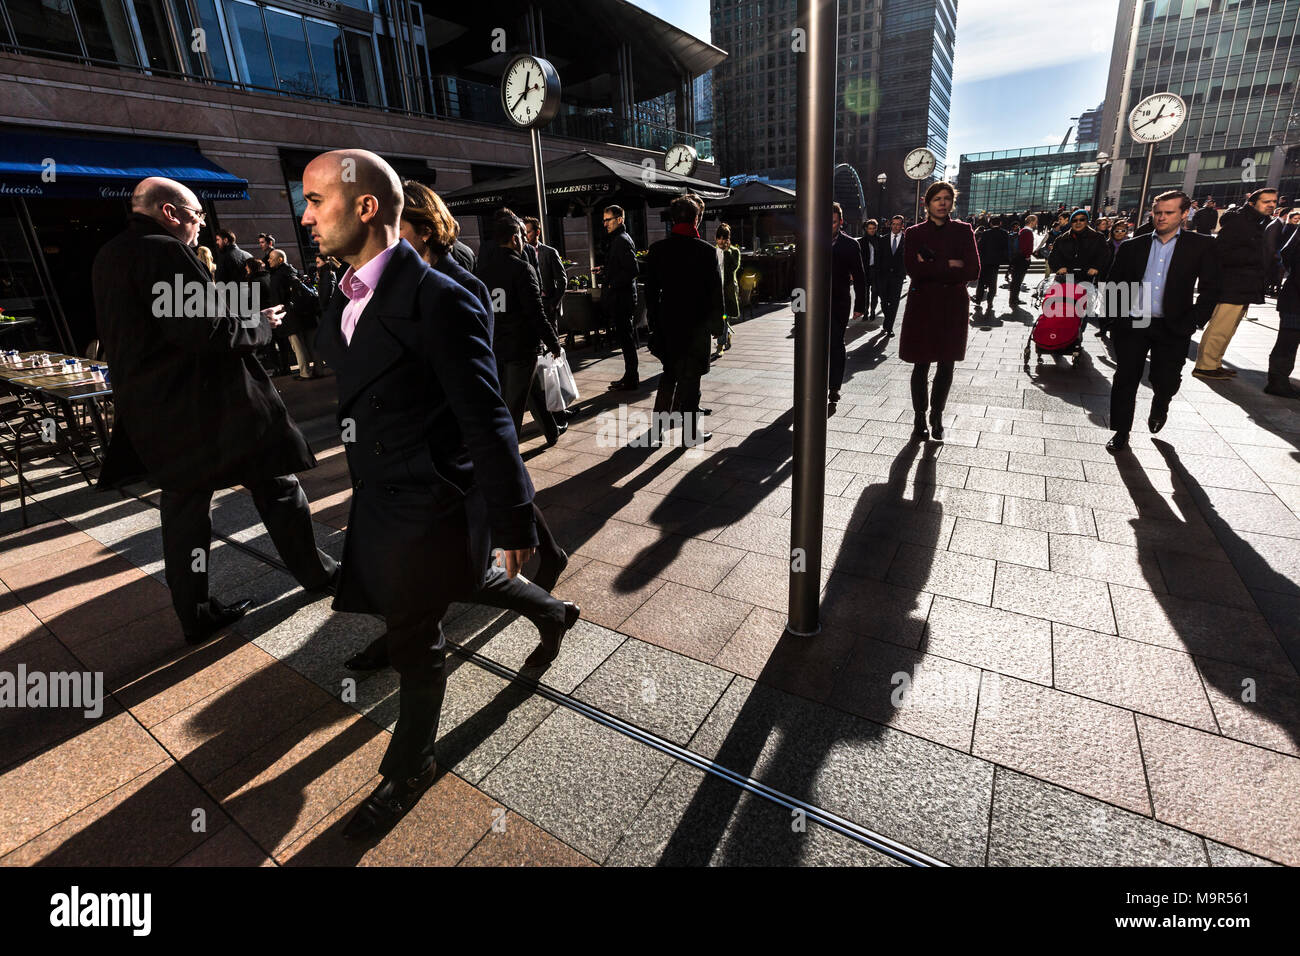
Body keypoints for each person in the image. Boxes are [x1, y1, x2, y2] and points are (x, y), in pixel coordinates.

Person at [305, 149, 566, 840]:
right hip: (384, 491)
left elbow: (487, 417)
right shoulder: (346, 293)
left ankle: (410, 763)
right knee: (464, 586)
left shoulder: (442, 296)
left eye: (314, 200)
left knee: (419, 631)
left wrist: (515, 518)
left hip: (431, 496)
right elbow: (340, 354)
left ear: (365, 208)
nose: (304, 216)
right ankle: (554, 613)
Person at [92, 177, 337, 644]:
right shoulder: (164, 250)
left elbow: (160, 327)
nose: (203, 224)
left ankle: (196, 611)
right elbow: (205, 333)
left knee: (185, 511)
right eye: (196, 215)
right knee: (278, 483)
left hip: (155, 409)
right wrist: (260, 326)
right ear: (169, 213)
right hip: (212, 409)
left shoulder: (110, 255)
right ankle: (320, 574)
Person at [1104, 190, 1219, 452]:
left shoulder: (1201, 245)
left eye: (1168, 212)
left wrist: (1194, 320)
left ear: (1184, 213)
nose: (1161, 217)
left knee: (1165, 378)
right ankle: (1121, 431)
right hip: (1134, 322)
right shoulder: (1134, 245)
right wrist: (1113, 321)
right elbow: (1114, 283)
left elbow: (1212, 288)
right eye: (1157, 212)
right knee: (1125, 378)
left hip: (1173, 324)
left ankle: (1161, 403)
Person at [475, 208, 563, 446]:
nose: (525, 241)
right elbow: (535, 312)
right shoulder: (522, 269)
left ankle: (552, 431)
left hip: (497, 343)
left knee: (529, 391)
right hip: (521, 346)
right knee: (513, 404)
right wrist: (553, 341)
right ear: (515, 238)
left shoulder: (483, 269)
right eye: (523, 237)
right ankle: (508, 454)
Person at [900, 182, 980, 441]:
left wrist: (935, 264)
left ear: (952, 202)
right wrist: (951, 264)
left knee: (947, 364)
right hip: (922, 304)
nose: (942, 203)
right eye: (937, 199)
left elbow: (973, 270)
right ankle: (919, 416)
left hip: (952, 305)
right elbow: (914, 270)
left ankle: (937, 414)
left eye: (947, 198)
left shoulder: (964, 230)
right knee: (920, 364)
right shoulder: (913, 233)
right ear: (927, 203)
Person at [642, 195, 724, 446]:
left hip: (668, 325)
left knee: (669, 375)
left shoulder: (657, 250)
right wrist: (718, 327)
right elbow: (715, 294)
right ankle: (690, 434)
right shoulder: (707, 252)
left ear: (673, 218)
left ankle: (656, 431)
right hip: (696, 326)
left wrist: (654, 325)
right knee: (692, 380)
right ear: (697, 218)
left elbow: (650, 294)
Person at [1193, 188, 1277, 380]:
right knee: (1221, 326)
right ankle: (1205, 365)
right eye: (1266, 202)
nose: (1271, 205)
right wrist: (1255, 258)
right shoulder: (1240, 222)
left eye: (1273, 201)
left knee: (1229, 328)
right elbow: (1221, 251)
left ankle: (1214, 362)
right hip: (1232, 283)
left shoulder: (1259, 222)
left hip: (1245, 283)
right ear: (1252, 203)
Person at [828, 201, 866, 413]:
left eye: (833, 222)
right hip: (814, 302)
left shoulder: (851, 245)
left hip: (840, 301)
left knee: (835, 344)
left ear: (840, 222)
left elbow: (860, 277)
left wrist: (860, 305)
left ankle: (834, 386)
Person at [600, 204, 640, 390]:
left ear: (619, 220)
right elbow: (621, 266)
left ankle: (632, 378)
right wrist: (605, 270)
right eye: (604, 220)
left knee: (627, 340)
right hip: (620, 297)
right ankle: (630, 376)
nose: (605, 223)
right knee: (625, 339)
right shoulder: (618, 239)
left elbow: (633, 269)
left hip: (622, 298)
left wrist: (611, 283)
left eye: (608, 220)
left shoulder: (622, 240)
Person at [266, 249, 320, 379]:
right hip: (306, 313)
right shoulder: (294, 271)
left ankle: (305, 372)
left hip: (290, 315)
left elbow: (278, 299)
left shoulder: (277, 276)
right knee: (312, 343)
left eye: (271, 258)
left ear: (280, 259)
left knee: (298, 346)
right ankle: (319, 370)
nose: (268, 260)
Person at [1267, 228, 1300, 398]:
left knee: (1288, 341)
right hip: (1295, 300)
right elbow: (1287, 253)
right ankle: (1277, 382)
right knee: (1288, 341)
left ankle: (1278, 380)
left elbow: (1287, 252)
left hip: (1293, 296)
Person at [522, 216, 567, 337]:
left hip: (547, 303)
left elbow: (562, 280)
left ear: (537, 232)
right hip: (529, 303)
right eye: (523, 233)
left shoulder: (550, 252)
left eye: (528, 232)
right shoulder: (521, 253)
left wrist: (554, 304)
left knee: (552, 339)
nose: (525, 236)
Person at [1048, 208, 1108, 290]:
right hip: (1066, 279)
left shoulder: (1098, 238)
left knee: (1086, 300)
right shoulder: (1061, 239)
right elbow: (1053, 257)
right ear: (1071, 222)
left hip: (1089, 278)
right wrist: (1059, 267)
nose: (1078, 222)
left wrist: (1096, 267)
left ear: (1087, 221)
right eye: (1074, 220)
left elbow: (1104, 255)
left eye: (1082, 220)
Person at [874, 214, 908, 336]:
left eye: (898, 224)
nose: (895, 226)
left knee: (894, 302)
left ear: (902, 226)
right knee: (884, 301)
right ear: (890, 224)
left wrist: (904, 272)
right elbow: (878, 258)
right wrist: (877, 275)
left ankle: (889, 327)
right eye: (893, 224)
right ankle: (887, 322)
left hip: (897, 277)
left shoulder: (907, 240)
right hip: (883, 276)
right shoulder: (883, 239)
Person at [973, 215, 1008, 312]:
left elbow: (980, 247)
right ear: (1000, 223)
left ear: (991, 223)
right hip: (996, 262)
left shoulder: (986, 233)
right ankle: (990, 301)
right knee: (993, 282)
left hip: (985, 261)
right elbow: (1006, 248)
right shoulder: (1004, 234)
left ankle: (978, 300)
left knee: (981, 282)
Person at [715, 223, 740, 355]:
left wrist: (727, 252)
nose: (721, 240)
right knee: (721, 317)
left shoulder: (734, 252)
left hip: (729, 290)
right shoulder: (713, 251)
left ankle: (720, 345)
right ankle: (727, 334)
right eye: (719, 237)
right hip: (717, 291)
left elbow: (733, 268)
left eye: (724, 237)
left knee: (724, 317)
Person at [1008, 214, 1036, 306]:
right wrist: (1028, 256)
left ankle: (1013, 299)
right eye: (1035, 221)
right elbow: (1025, 247)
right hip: (1022, 259)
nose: (1036, 223)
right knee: (1017, 280)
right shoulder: (1027, 232)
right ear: (1031, 222)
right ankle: (1014, 300)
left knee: (1016, 280)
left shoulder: (1023, 230)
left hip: (1018, 259)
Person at [858, 218, 880, 320]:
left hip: (876, 270)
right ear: (866, 229)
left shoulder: (880, 240)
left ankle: (873, 311)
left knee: (875, 292)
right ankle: (865, 312)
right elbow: (858, 258)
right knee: (865, 293)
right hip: (865, 271)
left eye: (873, 228)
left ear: (876, 229)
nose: (871, 230)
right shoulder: (861, 242)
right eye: (870, 228)